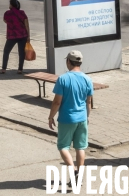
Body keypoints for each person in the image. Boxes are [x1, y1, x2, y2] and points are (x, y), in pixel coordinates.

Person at [48, 50, 93, 182]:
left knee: (63, 146)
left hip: (67, 118)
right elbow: (89, 102)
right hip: (82, 118)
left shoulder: (63, 79)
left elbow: (57, 102)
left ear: (68, 61)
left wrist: (51, 116)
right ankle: (79, 173)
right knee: (80, 147)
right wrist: (87, 116)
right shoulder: (87, 79)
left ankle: (73, 170)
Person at [0, 0, 30, 75]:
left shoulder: (7, 13)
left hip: (12, 36)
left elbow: (5, 21)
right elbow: (27, 25)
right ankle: (20, 70)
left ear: (11, 5)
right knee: (21, 53)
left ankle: (4, 69)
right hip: (23, 35)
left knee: (6, 51)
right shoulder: (22, 13)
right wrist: (28, 36)